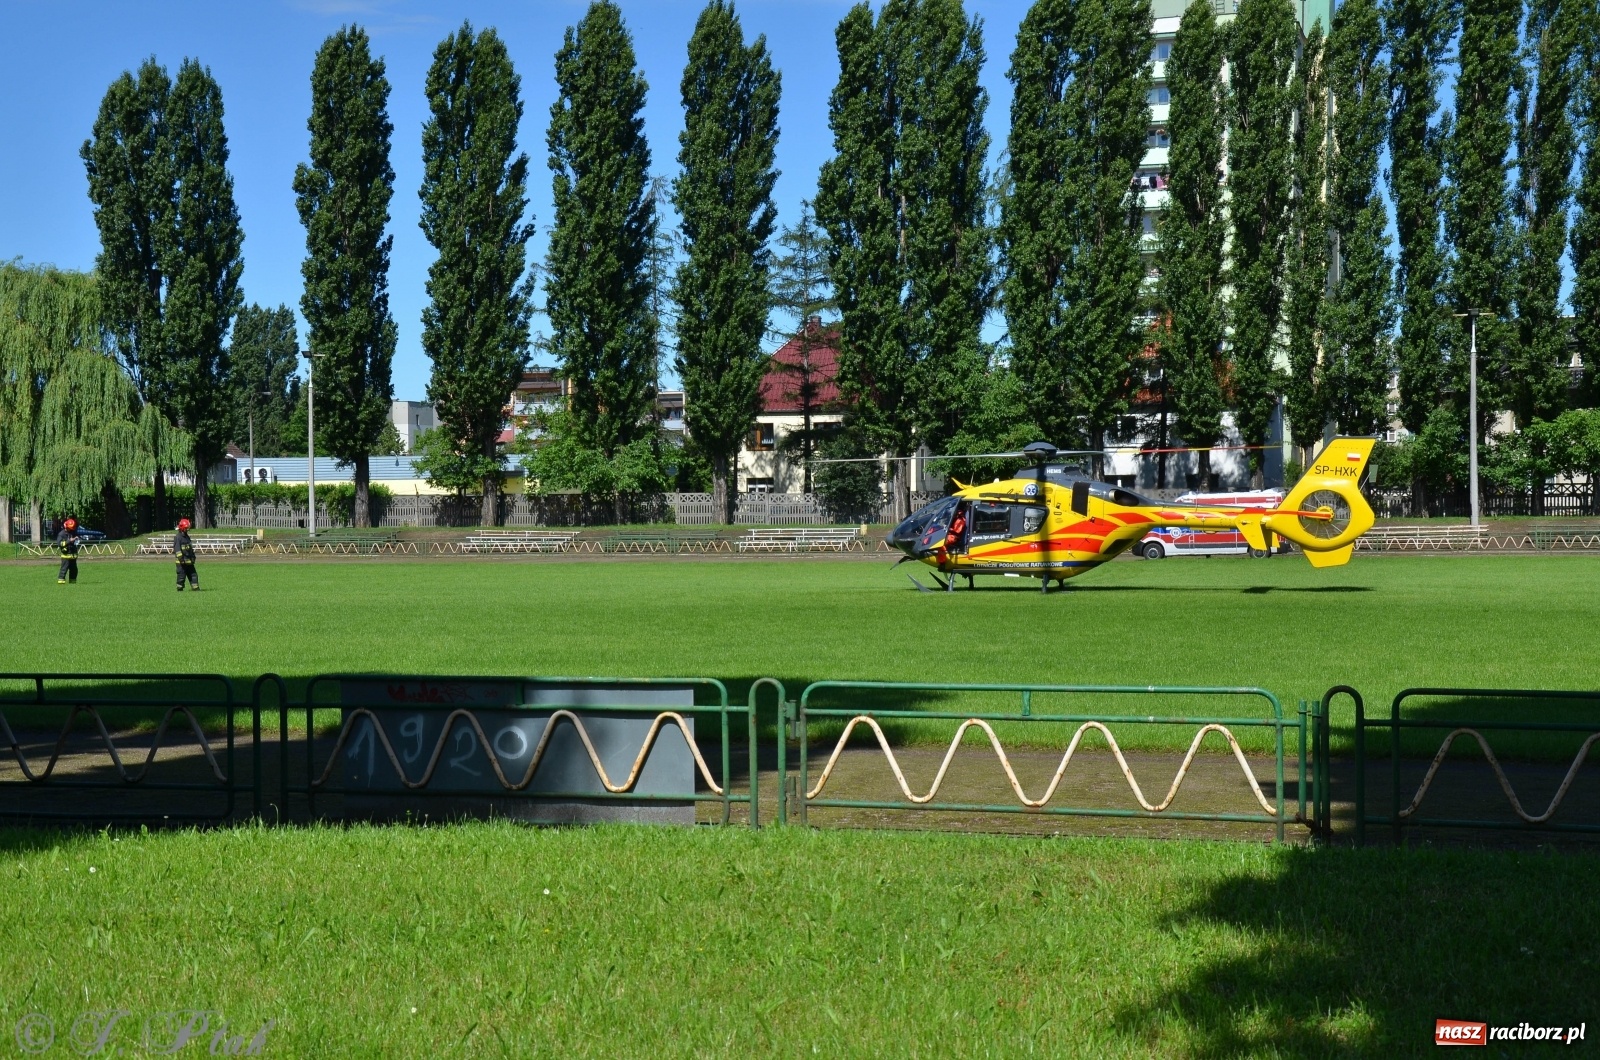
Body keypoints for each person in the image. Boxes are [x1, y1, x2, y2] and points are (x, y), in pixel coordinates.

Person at [174, 518, 200, 592]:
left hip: (189, 561)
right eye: (186, 528)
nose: (187, 529)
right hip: (181, 562)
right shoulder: (178, 537)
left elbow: (190, 548)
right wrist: (181, 559)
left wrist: (193, 557)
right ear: (182, 528)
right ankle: (180, 589)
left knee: (193, 575)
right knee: (181, 577)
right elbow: (177, 549)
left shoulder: (187, 537)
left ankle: (196, 588)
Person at [56, 517, 81, 584]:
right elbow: (60, 543)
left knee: (74, 570)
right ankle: (61, 582)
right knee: (64, 570)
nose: (71, 530)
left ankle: (72, 583)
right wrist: (69, 541)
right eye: (70, 528)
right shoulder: (61, 534)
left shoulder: (73, 532)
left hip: (73, 555)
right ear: (66, 526)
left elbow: (76, 539)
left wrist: (77, 539)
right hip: (66, 556)